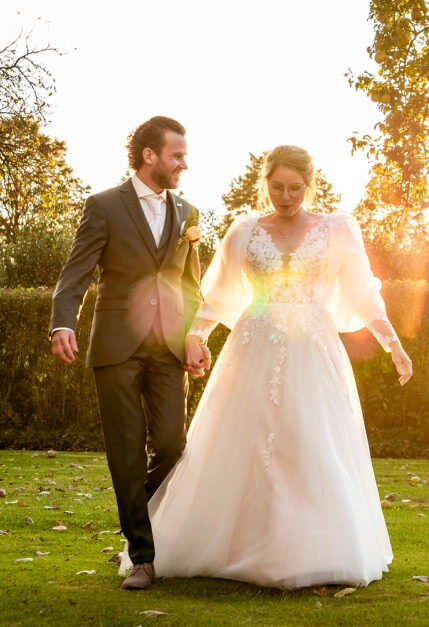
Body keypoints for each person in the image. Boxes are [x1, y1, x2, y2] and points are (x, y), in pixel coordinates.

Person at [118, 145, 412, 589]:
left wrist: (393, 344)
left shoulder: (335, 229)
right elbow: (217, 295)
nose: (286, 196)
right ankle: (240, 546)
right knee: (250, 443)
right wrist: (196, 333)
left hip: (313, 350)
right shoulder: (244, 231)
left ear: (308, 186)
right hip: (253, 348)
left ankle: (313, 550)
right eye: (277, 187)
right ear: (266, 182)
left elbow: (361, 293)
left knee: (311, 443)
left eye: (295, 188)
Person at [49, 116, 210, 590]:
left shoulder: (189, 213)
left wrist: (192, 335)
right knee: (125, 452)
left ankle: (133, 503)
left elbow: (191, 286)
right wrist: (63, 322)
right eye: (177, 154)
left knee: (171, 444)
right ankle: (142, 555)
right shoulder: (103, 206)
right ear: (149, 156)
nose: (184, 162)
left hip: (167, 347)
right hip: (117, 346)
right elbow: (75, 273)